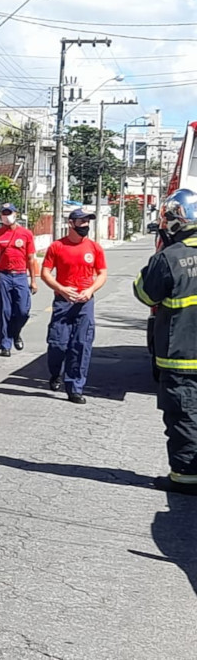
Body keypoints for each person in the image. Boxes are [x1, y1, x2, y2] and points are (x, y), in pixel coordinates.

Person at [133, 189, 197, 494]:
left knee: (183, 415)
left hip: (181, 356)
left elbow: (145, 293)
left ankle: (185, 477)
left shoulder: (171, 257)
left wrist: (160, 255)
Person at [39, 208, 108, 404]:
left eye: (87, 221)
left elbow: (102, 274)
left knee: (81, 345)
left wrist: (91, 289)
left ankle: (75, 388)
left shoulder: (95, 248)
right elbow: (45, 273)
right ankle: (55, 373)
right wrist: (61, 289)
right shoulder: (57, 246)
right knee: (57, 345)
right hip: (63, 303)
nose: (85, 225)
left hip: (84, 304)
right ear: (71, 223)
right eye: (81, 221)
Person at [0, 203, 38, 357]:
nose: (7, 216)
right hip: (4, 276)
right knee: (4, 311)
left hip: (20, 275)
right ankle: (5, 345)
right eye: (4, 213)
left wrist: (33, 280)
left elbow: (31, 258)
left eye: (9, 213)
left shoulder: (26, 234)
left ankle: (15, 332)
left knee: (23, 311)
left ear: (16, 214)